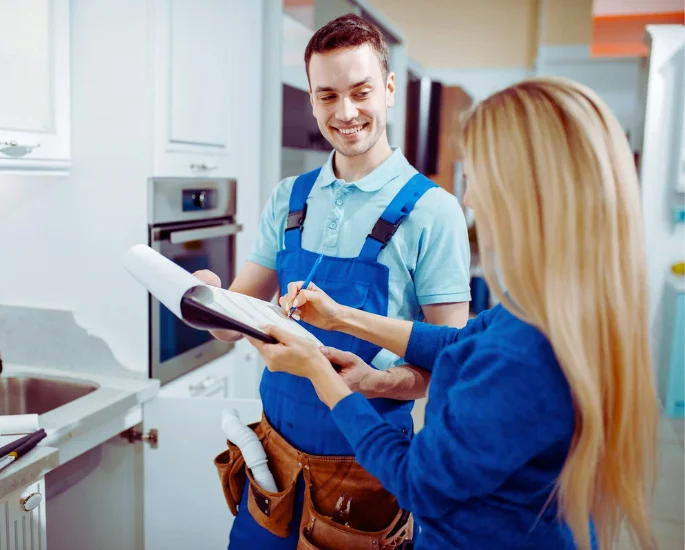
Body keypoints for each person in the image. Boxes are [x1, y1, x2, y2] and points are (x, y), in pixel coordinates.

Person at [247, 77, 659, 550]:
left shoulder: (523, 355)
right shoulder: (553, 311)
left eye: (479, 176)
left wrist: (320, 372)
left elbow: (417, 480)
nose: (470, 199)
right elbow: (457, 343)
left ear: (525, 191)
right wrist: (342, 318)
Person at [198, 14, 471, 550]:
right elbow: (236, 321)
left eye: (360, 91)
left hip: (365, 472)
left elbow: (453, 368)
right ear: (312, 98)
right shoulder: (289, 197)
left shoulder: (434, 213)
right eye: (327, 96)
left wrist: (375, 382)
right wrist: (206, 303)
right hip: (270, 463)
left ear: (390, 90)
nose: (344, 113)